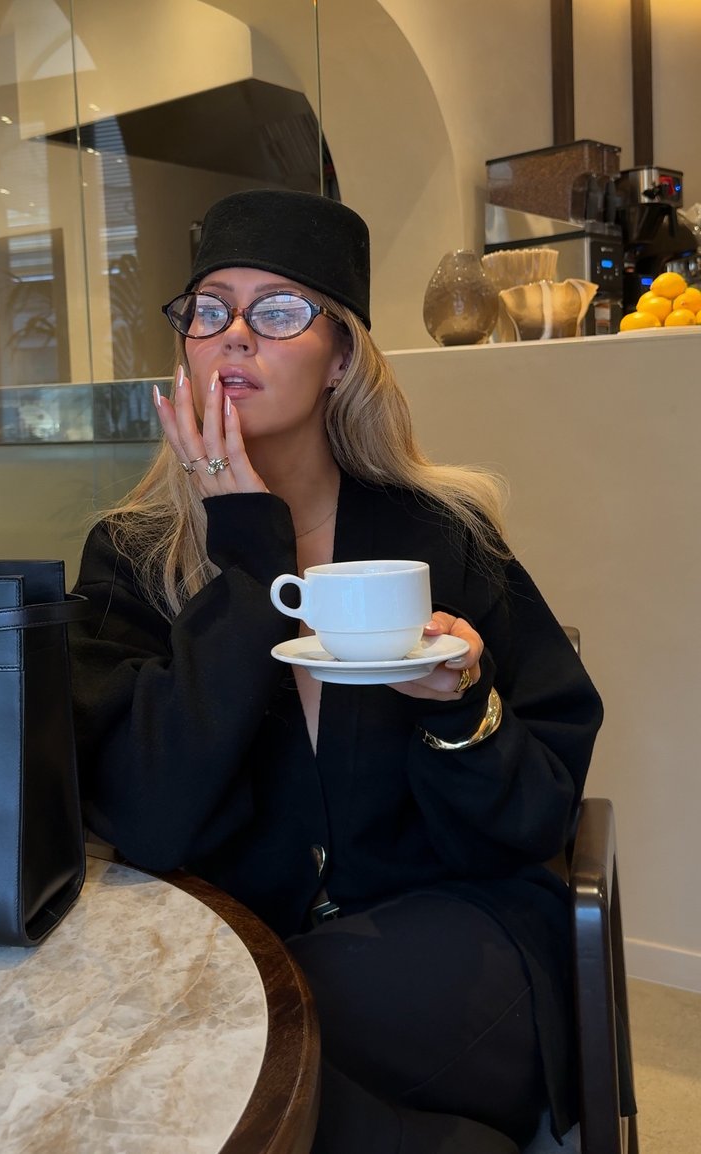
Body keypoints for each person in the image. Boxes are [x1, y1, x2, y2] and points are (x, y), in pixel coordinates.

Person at [70, 189, 603, 1154]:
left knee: (214, 1059)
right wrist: (250, 552)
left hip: (456, 937)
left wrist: (459, 707)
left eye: (277, 312)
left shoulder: (440, 539)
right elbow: (150, 817)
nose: (235, 338)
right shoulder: (131, 560)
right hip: (239, 948)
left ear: (343, 357)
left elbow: (535, 821)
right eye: (209, 310)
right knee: (250, 1064)